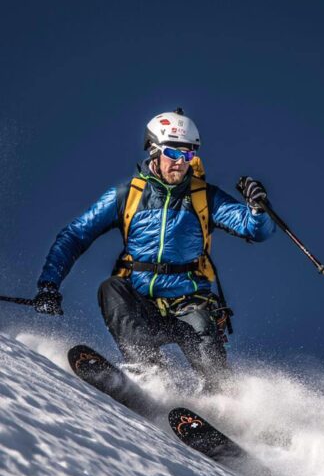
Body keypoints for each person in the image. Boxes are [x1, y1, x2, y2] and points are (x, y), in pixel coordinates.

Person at [34, 108, 275, 393]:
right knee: (111, 289)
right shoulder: (128, 195)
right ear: (154, 151)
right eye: (173, 153)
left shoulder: (204, 197)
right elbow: (75, 234)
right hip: (141, 303)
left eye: (188, 155)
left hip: (189, 303)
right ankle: (151, 376)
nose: (180, 163)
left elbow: (254, 229)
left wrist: (258, 209)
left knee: (216, 373)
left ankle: (227, 408)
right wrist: (49, 284)